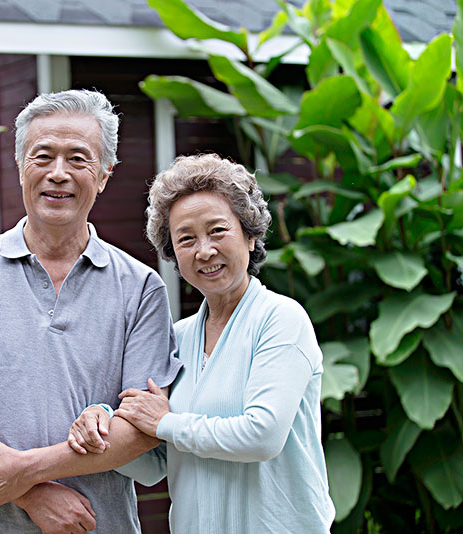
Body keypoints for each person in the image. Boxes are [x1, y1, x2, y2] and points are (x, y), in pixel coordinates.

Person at [0, 89, 182, 534]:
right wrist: (32, 494)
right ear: (20, 167)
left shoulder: (141, 287)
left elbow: (141, 428)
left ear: (104, 175)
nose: (58, 173)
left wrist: (25, 469)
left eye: (78, 159)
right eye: (42, 156)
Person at [68, 153, 335, 533]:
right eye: (186, 239)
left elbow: (262, 436)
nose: (204, 250)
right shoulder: (177, 337)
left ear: (250, 233)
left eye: (218, 231)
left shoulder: (281, 320)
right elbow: (153, 464)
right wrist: (101, 424)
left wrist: (166, 422)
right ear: (173, 253)